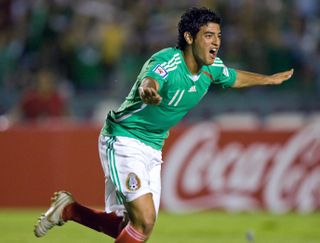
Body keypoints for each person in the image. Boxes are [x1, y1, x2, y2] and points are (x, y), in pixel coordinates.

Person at [34, 7, 293, 242]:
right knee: (144, 221)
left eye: (219, 36)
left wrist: (268, 79)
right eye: (209, 35)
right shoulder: (168, 61)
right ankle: (69, 210)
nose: (216, 42)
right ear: (190, 38)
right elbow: (151, 80)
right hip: (124, 138)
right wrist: (149, 91)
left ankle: (69, 210)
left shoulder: (212, 69)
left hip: (153, 148)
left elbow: (234, 77)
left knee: (133, 227)